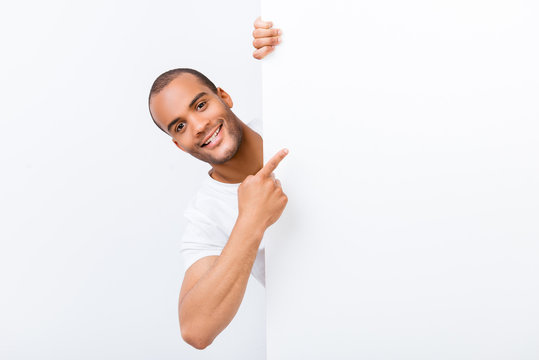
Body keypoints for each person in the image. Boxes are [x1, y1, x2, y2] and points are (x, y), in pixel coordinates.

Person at [148, 17, 283, 350]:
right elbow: (195, 330)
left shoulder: (288, 117)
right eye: (179, 126)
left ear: (224, 96)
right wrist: (250, 221)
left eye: (200, 105)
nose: (197, 126)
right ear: (178, 144)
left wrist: (290, 39)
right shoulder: (205, 215)